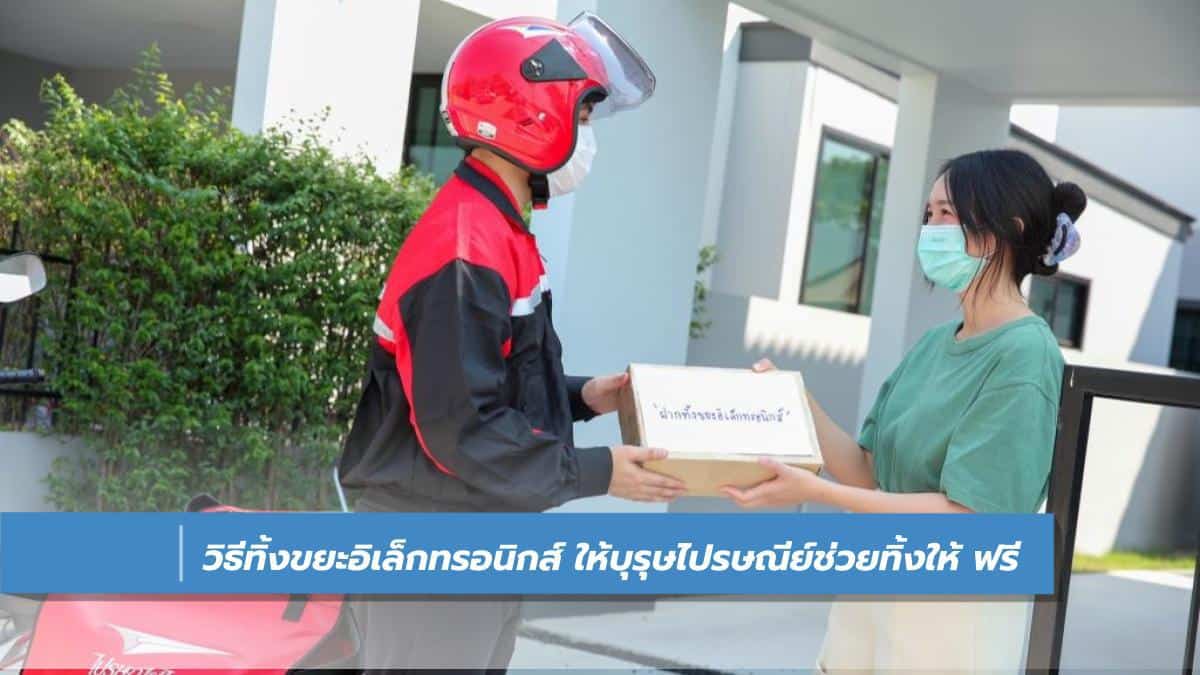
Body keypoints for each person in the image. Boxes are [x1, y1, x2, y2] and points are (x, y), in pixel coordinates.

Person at [336, 13, 683, 674]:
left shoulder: (498, 228)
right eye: (584, 115)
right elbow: (463, 430)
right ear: (534, 115)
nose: (588, 137)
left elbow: (491, 380)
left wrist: (585, 396)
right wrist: (601, 470)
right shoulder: (464, 248)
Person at [723, 149, 1086, 672]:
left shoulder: (1025, 354)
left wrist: (817, 493)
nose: (931, 229)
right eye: (929, 214)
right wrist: (794, 401)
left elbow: (973, 519)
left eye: (947, 214)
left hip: (950, 623)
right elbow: (868, 473)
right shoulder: (935, 343)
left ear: (1005, 230)